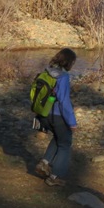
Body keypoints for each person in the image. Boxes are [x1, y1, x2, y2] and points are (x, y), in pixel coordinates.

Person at [34, 48, 78, 187]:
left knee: (58, 137)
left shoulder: (47, 71)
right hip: (57, 116)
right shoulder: (63, 77)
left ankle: (44, 163)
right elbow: (64, 101)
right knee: (65, 144)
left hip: (44, 114)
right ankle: (54, 177)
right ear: (69, 62)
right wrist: (72, 122)